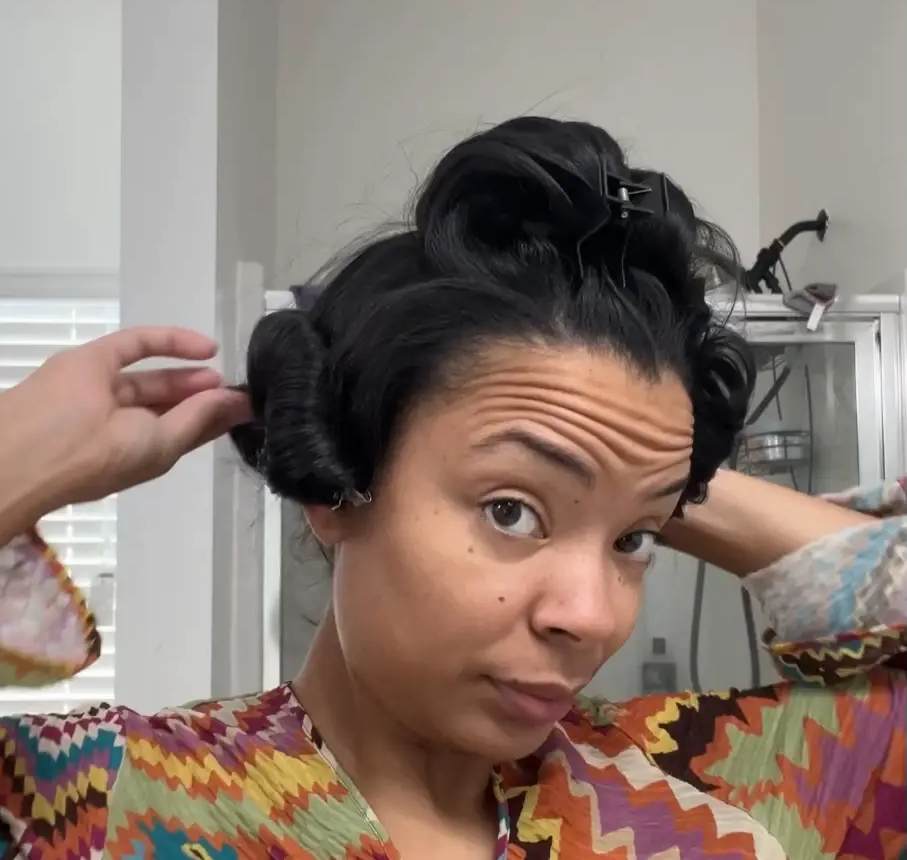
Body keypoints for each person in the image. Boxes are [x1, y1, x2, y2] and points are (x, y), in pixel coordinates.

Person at [0, 116, 904, 860]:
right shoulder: (100, 803)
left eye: (634, 543)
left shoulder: (703, 786)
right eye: (511, 511)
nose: (591, 617)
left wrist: (653, 477)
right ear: (335, 489)